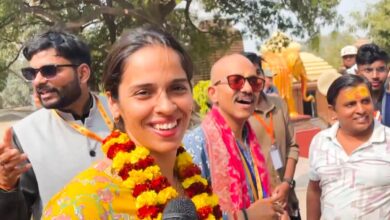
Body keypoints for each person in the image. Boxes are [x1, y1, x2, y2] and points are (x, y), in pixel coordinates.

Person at [42, 26, 222, 220]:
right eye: (143, 92)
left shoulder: (193, 184)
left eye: (177, 88)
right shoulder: (82, 206)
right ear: (113, 103)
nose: (167, 107)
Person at [0, 30, 113, 219]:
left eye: (49, 70)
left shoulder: (124, 113)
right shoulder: (24, 135)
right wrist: (6, 187)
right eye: (31, 73)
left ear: (83, 73)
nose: (38, 81)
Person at [184, 53, 284, 219]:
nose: (247, 89)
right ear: (213, 93)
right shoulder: (196, 144)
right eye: (236, 81)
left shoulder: (249, 139)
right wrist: (246, 217)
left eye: (254, 82)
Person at [306, 74, 390, 219]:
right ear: (333, 111)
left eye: (365, 101)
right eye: (350, 104)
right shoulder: (320, 142)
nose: (361, 110)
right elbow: (314, 190)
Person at [245, 53, 301, 219]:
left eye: (257, 72)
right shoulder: (240, 112)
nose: (254, 78)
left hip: (288, 197)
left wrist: (286, 183)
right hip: (260, 206)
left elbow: (293, 146)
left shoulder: (278, 104)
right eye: (247, 75)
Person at [356, 43, 390, 126]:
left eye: (381, 69)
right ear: (357, 72)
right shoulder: (349, 101)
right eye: (368, 70)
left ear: (388, 70)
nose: (375, 76)